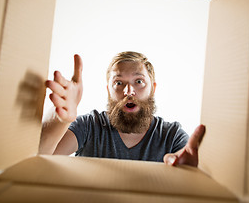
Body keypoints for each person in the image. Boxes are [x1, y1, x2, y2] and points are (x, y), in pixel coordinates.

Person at [39, 51, 205, 166]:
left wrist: (188, 171)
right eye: (118, 83)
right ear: (108, 90)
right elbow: (40, 158)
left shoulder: (171, 135)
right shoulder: (89, 126)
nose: (128, 91)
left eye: (138, 81)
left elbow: (186, 158)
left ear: (153, 88)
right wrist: (60, 119)